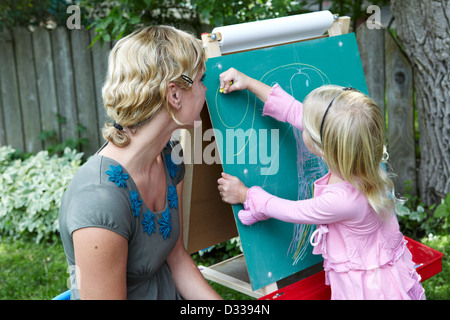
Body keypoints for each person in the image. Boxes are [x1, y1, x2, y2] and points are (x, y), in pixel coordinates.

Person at [217, 68, 425, 300]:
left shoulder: (343, 200)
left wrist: (246, 195)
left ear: (323, 149)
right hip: (383, 275)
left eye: (307, 126)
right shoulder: (361, 154)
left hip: (368, 291)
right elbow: (293, 110)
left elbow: (292, 210)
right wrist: (249, 83)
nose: (302, 120)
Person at [59, 26, 221, 300]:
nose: (206, 90)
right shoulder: (99, 200)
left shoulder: (170, 157)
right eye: (201, 79)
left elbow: (177, 258)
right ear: (175, 95)